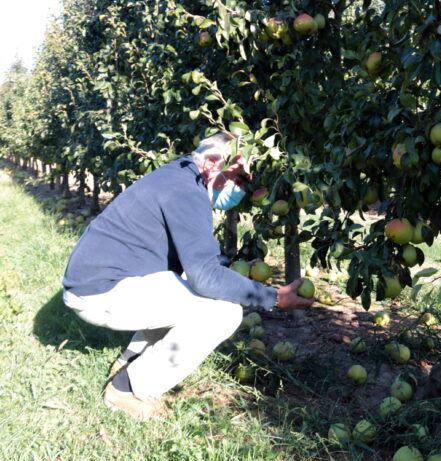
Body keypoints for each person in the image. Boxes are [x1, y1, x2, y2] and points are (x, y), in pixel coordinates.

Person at [61, 132, 313, 420]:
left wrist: (232, 268)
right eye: (239, 179)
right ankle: (127, 390)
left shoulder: (179, 177)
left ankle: (129, 361)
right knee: (224, 312)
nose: (243, 189)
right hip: (99, 293)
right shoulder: (187, 192)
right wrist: (274, 298)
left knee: (184, 289)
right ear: (211, 165)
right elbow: (204, 277)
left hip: (99, 282)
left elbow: (195, 257)